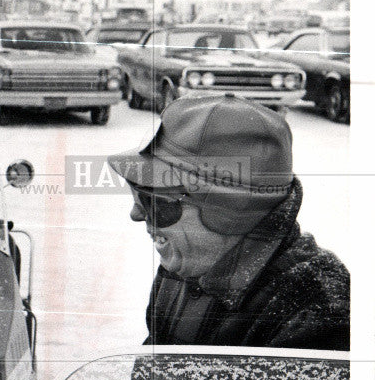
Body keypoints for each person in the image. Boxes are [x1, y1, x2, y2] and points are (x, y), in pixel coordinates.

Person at [108, 94, 349, 351]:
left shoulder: (318, 312)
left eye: (153, 201)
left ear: (231, 213)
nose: (136, 214)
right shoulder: (183, 267)